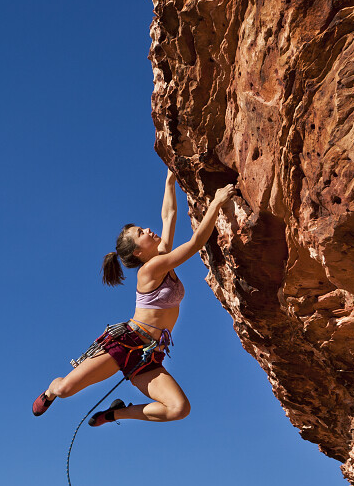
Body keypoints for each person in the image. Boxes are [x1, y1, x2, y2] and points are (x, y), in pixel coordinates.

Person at [31, 171, 236, 426]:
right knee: (65, 390)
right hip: (125, 343)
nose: (148, 229)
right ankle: (50, 391)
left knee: (179, 408)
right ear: (139, 252)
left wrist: (169, 181)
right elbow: (195, 244)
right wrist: (216, 203)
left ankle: (115, 413)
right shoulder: (149, 271)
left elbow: (169, 215)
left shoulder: (160, 257)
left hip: (148, 355)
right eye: (141, 232)